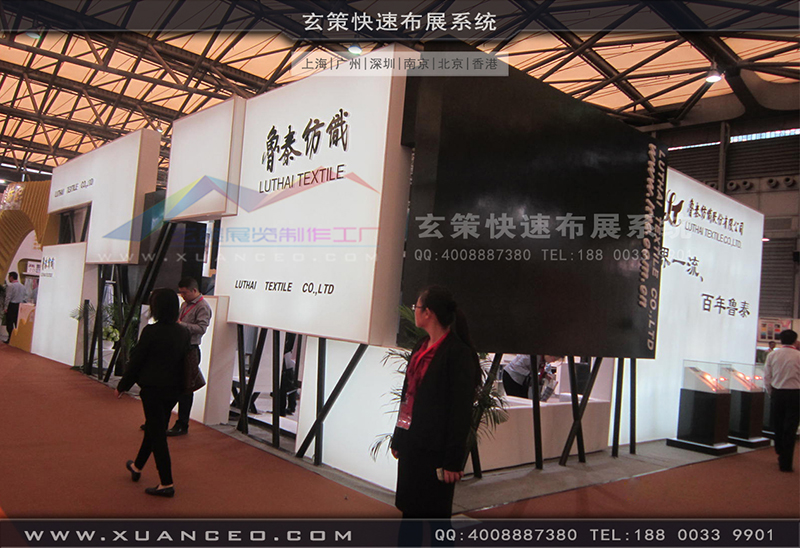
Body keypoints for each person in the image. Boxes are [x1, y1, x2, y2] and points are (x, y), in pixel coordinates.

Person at [391, 286, 481, 523]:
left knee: (436, 520)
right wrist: (399, 437)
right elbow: (408, 397)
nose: (414, 311)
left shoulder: (457, 353)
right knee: (409, 514)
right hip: (413, 444)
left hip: (436, 452)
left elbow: (460, 411)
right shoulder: (420, 346)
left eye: (417, 306)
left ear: (428, 313)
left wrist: (453, 461)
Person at [115, 288, 190, 497]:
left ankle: (167, 483)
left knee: (157, 434)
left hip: (153, 389)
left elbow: (137, 361)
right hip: (174, 390)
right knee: (154, 427)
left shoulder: (151, 332)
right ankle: (137, 466)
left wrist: (122, 386)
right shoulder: (183, 332)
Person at [166, 277, 212, 436]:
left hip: (190, 350)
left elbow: (201, 328)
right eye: (181, 293)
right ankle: (166, 420)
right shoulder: (185, 304)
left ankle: (182, 424)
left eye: (185, 292)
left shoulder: (203, 307)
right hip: (179, 347)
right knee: (175, 386)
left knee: (186, 388)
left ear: (194, 290)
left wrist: (181, 325)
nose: (182, 296)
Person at [764, 329, 800, 473]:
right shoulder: (798, 356)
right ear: (795, 341)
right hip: (795, 393)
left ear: (780, 340)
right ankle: (786, 462)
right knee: (790, 428)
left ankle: (779, 449)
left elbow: (767, 377)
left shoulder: (773, 355)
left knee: (777, 425)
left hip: (778, 393)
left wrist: (771, 392)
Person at [3, 272, 27, 343]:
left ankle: (10, 338)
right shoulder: (23, 286)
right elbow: (25, 297)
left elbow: (8, 297)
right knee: (17, 322)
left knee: (9, 323)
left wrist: (6, 307)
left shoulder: (11, 286)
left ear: (11, 277)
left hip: (12, 305)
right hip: (20, 306)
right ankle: (17, 339)